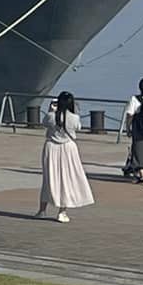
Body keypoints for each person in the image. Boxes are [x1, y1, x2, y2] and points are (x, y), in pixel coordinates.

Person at [38, 91, 96, 222]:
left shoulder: (51, 116)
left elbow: (44, 123)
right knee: (66, 179)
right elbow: (78, 127)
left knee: (49, 178)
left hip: (51, 147)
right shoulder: (73, 117)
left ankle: (42, 210)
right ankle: (62, 212)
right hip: (68, 148)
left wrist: (50, 110)